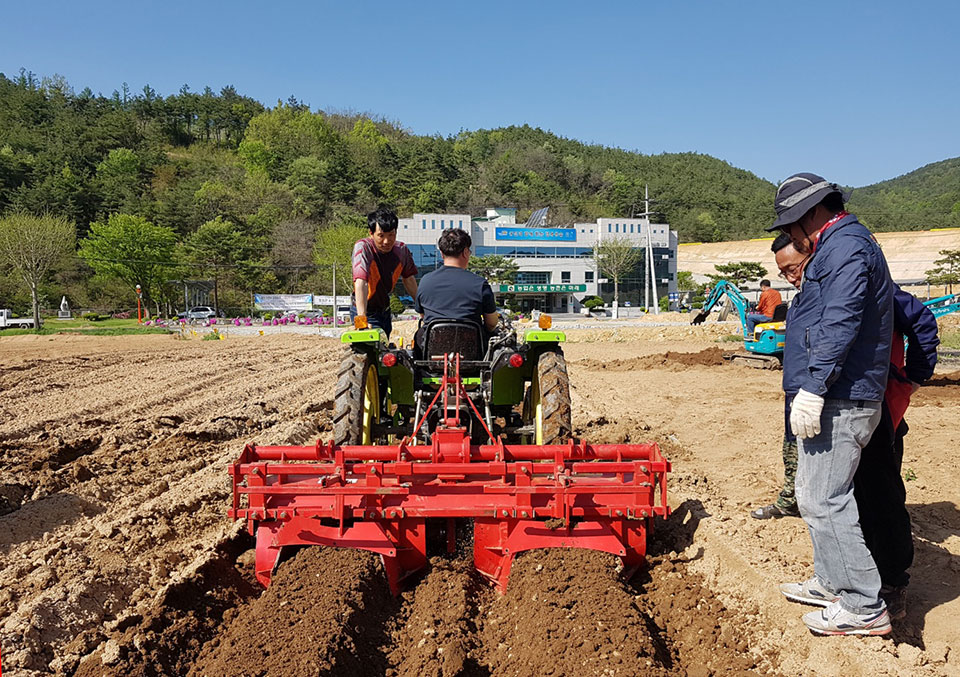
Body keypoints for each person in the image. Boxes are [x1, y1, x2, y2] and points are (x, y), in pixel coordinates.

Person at [752, 234, 938, 619]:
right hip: (824, 408)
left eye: (794, 268)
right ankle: (837, 580)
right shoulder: (810, 293)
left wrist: (914, 377)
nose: (790, 277)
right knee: (831, 495)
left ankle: (889, 583)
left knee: (877, 493)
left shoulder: (864, 286)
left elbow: (920, 320)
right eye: (783, 272)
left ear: (813, 255)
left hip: (869, 406)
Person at [767, 172, 895, 636]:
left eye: (792, 224)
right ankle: (830, 582)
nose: (793, 235)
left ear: (809, 216)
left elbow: (840, 319)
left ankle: (863, 606)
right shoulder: (840, 245)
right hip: (836, 390)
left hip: (842, 394)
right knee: (811, 492)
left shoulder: (845, 247)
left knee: (824, 499)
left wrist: (816, 386)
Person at [414, 228, 499, 351]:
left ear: (442, 254)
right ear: (465, 252)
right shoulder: (480, 284)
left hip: (433, 352)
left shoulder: (425, 281)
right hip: (472, 353)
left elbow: (423, 315)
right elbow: (491, 323)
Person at [351, 207, 418, 337]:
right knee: (366, 349)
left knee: (384, 351)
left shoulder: (401, 251)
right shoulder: (363, 248)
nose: (387, 241)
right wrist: (362, 320)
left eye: (391, 235)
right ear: (371, 233)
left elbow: (409, 279)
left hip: (385, 311)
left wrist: (422, 308)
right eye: (381, 236)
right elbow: (361, 282)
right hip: (365, 311)